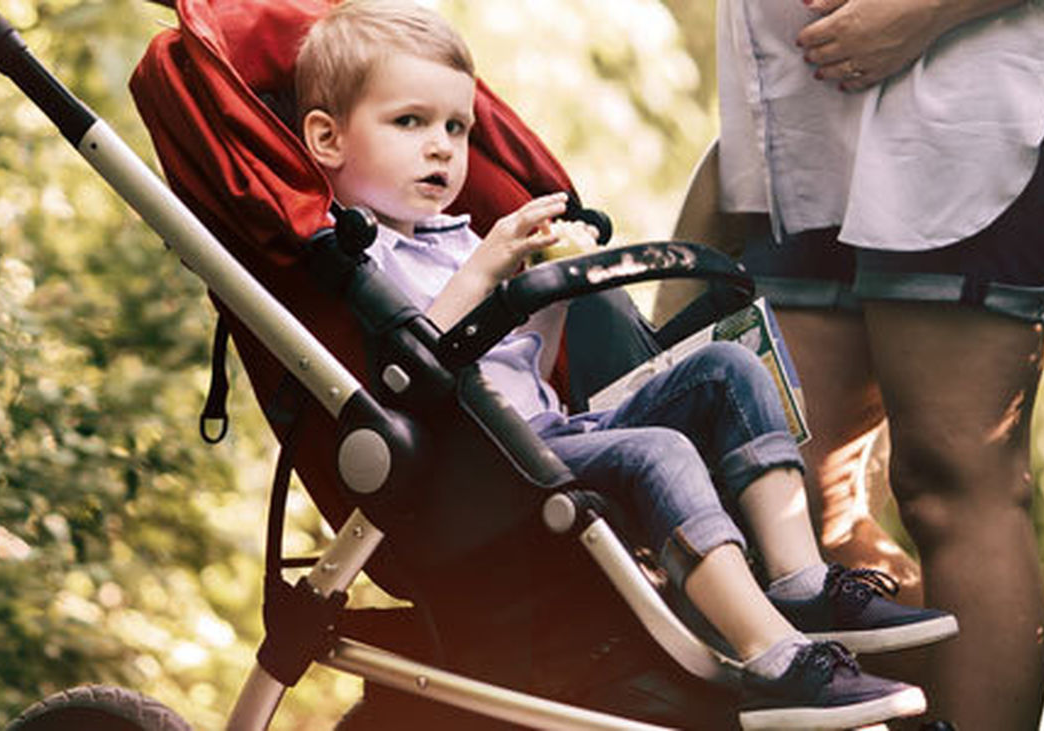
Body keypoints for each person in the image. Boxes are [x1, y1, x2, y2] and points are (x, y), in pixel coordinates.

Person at [294, 1, 958, 727]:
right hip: (483, 471)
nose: (442, 148)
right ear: (328, 138)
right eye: (410, 123)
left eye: (456, 128)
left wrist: (544, 301)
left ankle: (800, 581)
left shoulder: (455, 237)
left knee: (731, 371)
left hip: (547, 432)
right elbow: (410, 366)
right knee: (659, 449)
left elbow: (521, 367)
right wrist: (489, 272)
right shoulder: (356, 257)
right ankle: (770, 653)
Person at [710, 0, 1044, 727]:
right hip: (797, 124)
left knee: (949, 481)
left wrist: (920, 12)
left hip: (969, 103)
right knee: (790, 496)